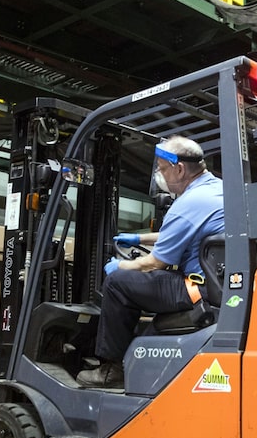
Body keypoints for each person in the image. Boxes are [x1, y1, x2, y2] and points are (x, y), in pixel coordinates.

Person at [76, 135, 225, 388]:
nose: (160, 175)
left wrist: (119, 266)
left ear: (179, 169)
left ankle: (111, 370)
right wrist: (139, 238)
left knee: (117, 283)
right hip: (219, 284)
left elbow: (154, 263)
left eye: (163, 169)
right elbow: (184, 231)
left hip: (199, 289)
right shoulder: (216, 189)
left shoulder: (187, 204)